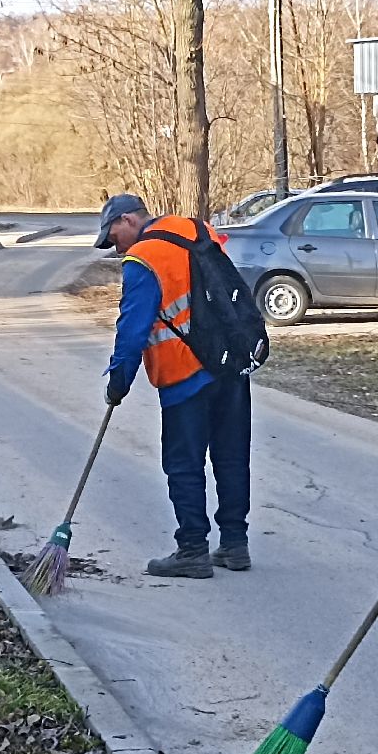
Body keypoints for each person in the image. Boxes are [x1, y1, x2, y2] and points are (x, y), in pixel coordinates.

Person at [96, 194, 252, 578]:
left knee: (184, 464)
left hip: (185, 373)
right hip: (230, 362)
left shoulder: (143, 257)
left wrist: (118, 381)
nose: (115, 247)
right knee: (231, 456)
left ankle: (193, 550)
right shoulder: (197, 229)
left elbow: (132, 329)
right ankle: (235, 544)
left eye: (113, 236)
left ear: (129, 220)